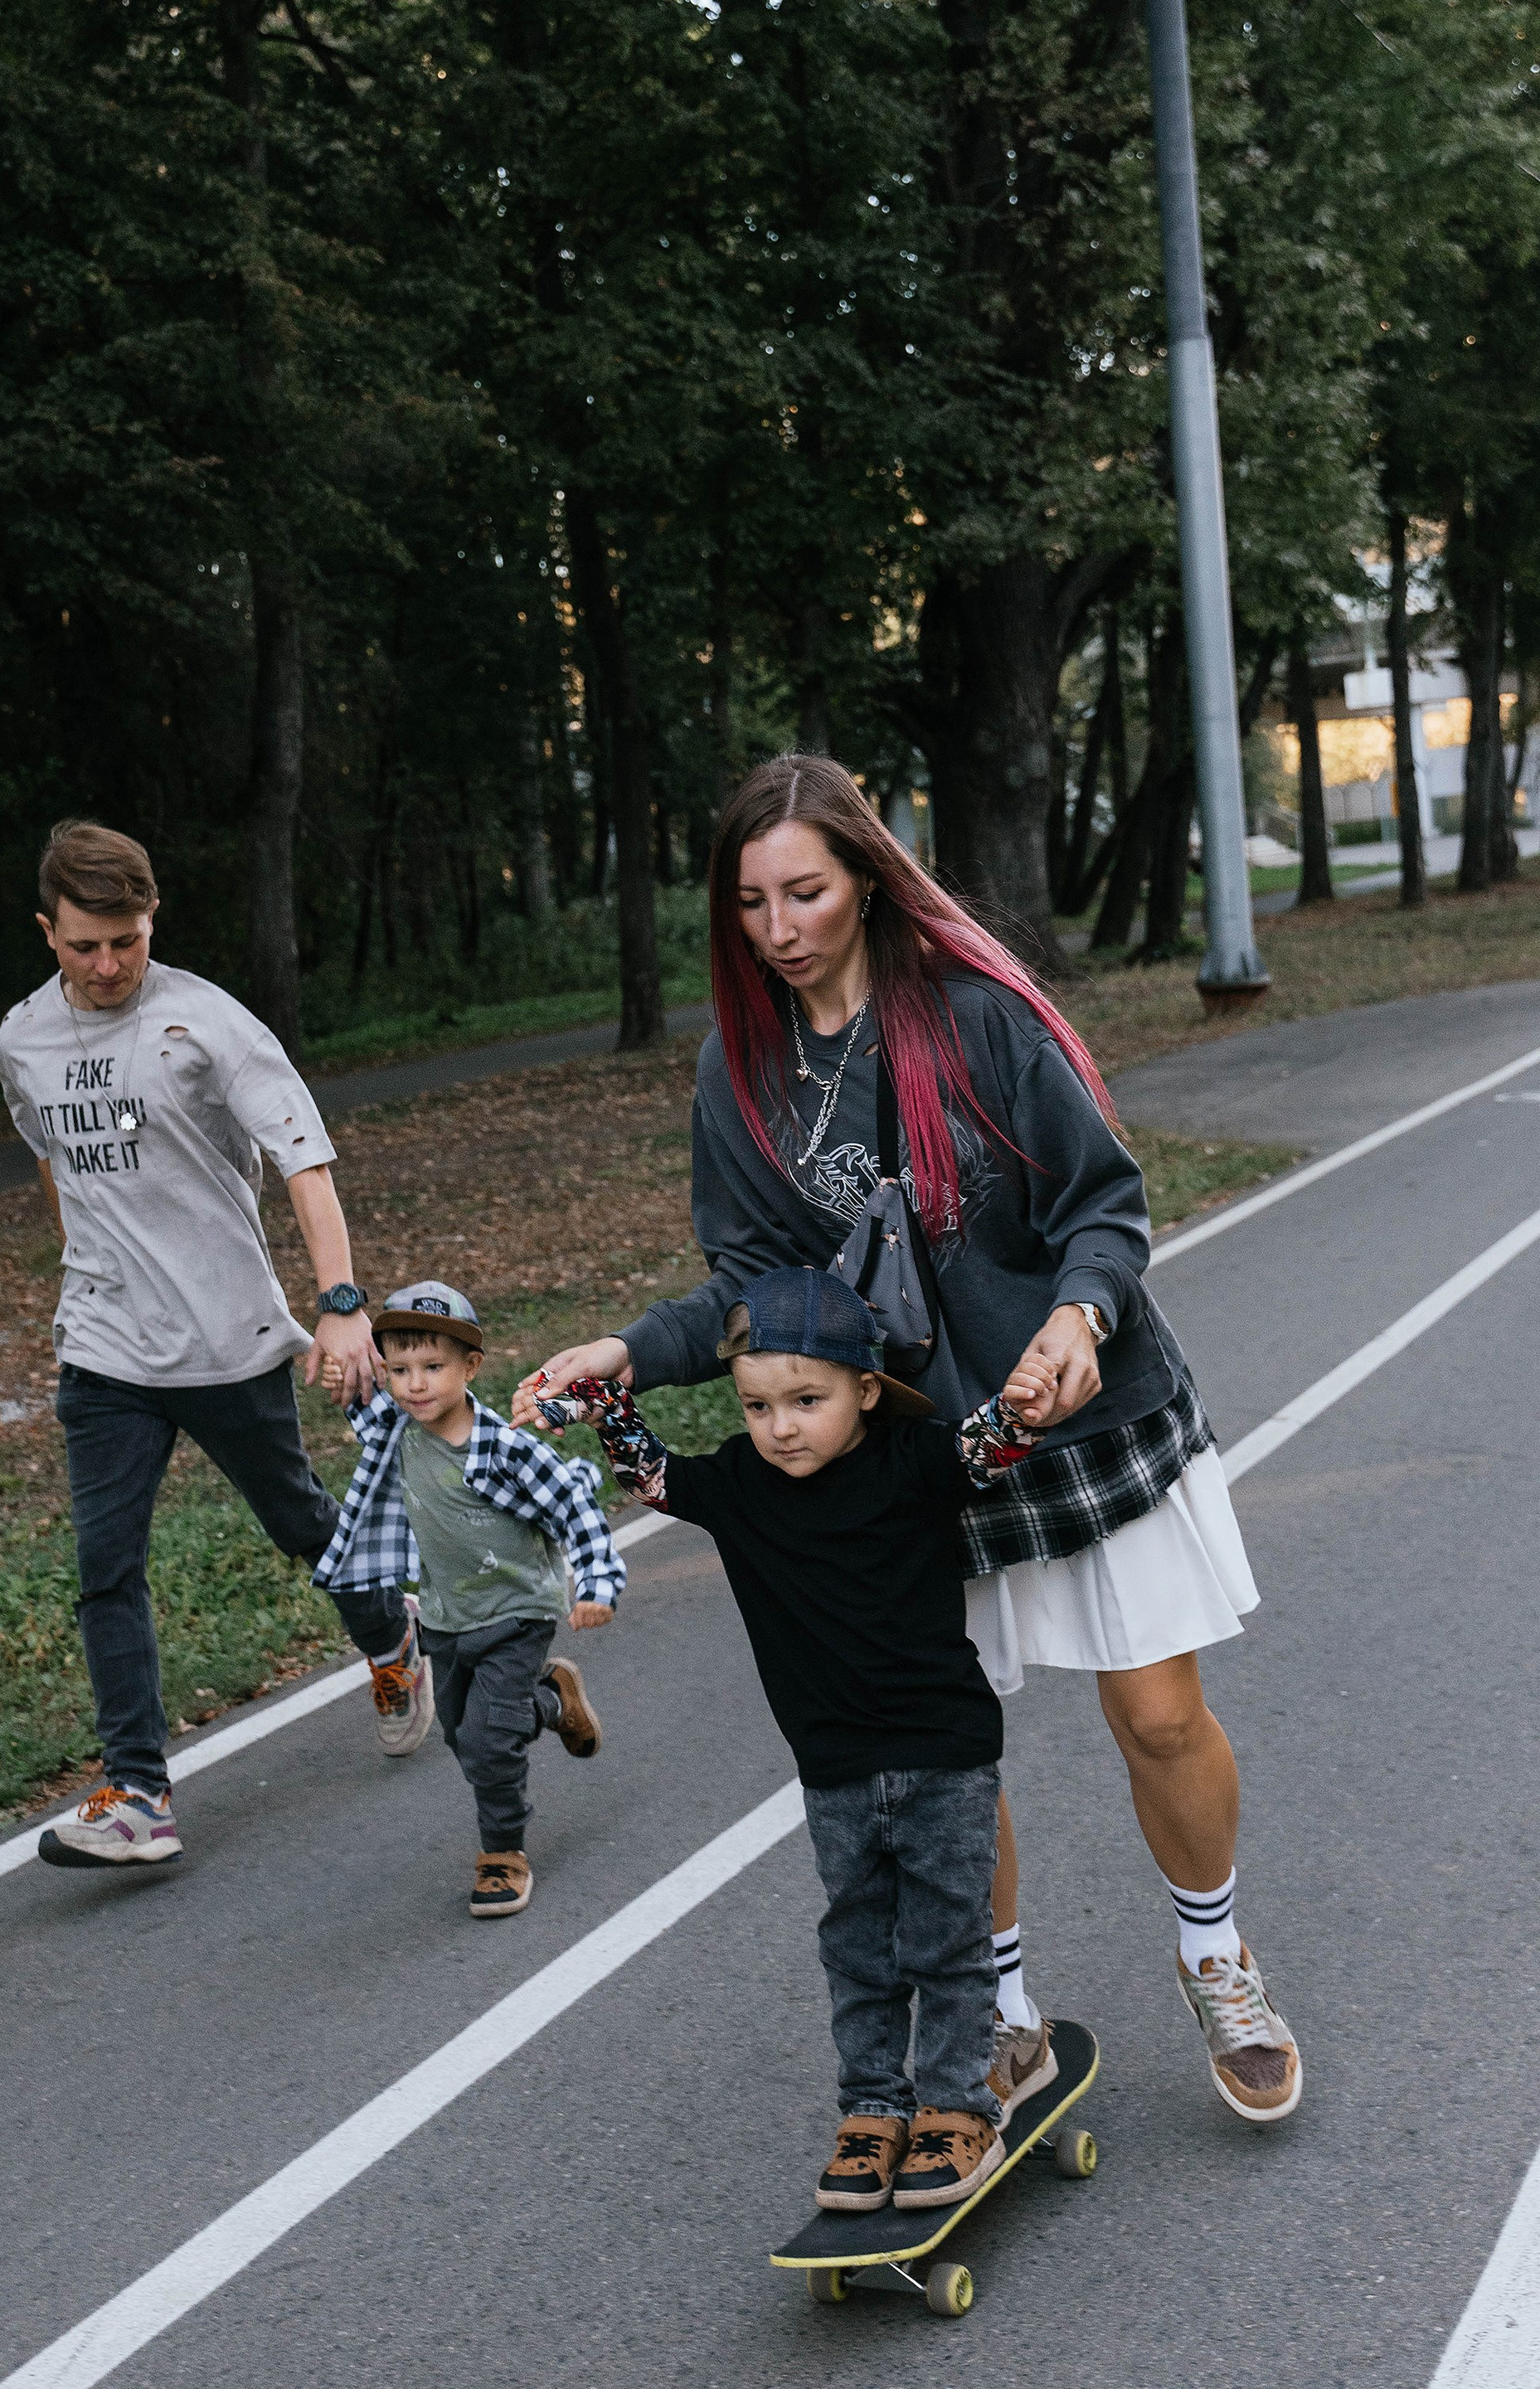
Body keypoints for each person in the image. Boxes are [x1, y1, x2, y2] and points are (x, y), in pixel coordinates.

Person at [517, 754, 1300, 2127]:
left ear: (867, 880)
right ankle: (999, 2010)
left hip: (1085, 1409)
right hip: (920, 1460)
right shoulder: (742, 1076)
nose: (780, 926)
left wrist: (1077, 1317)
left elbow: (1105, 1206)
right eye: (753, 900)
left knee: (1160, 1716)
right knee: (943, 1752)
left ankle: (1214, 1950)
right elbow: (759, 1294)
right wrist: (629, 1353)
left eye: (806, 891)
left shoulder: (977, 1015)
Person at [0, 818, 437, 1873]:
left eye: (128, 942)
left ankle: (390, 1635)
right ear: (46, 931)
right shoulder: (21, 1038)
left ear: (154, 922)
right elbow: (52, 1156)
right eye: (83, 945)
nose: (107, 967)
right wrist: (88, 1256)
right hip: (103, 1346)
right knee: (106, 1567)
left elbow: (305, 1162)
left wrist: (339, 1303)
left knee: (301, 1525)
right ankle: (137, 1793)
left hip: (227, 1336)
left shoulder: (207, 1023)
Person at [553, 1266, 1041, 2208]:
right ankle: (871, 2107)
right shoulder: (740, 1484)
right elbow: (651, 1476)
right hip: (833, 1770)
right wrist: (599, 1396)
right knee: (857, 1945)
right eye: (758, 1405)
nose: (781, 1427)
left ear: (864, 1389)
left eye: (806, 1401)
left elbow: (992, 1451)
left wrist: (1024, 1401)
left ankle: (955, 2104)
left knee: (945, 1938)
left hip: (943, 1754)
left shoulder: (914, 1458)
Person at [316, 1282, 624, 1916]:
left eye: (433, 1368)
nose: (415, 1385)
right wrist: (335, 1366)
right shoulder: (396, 1432)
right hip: (447, 1619)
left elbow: (575, 1508)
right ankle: (552, 1699)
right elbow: (354, 1393)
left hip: (518, 1614)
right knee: (462, 1734)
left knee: (488, 1742)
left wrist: (596, 1584)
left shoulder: (503, 1449)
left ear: (470, 1367)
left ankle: (502, 1853)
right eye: (400, 1370)